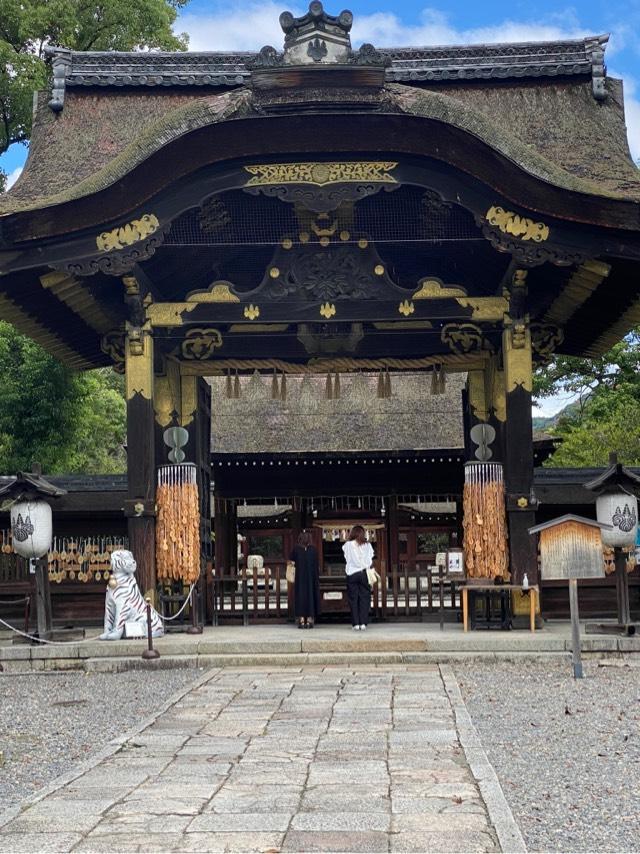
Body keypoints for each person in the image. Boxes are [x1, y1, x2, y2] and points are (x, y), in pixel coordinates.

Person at [343, 525, 374, 631]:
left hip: (352, 573)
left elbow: (347, 558)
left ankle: (355, 623)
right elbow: (370, 560)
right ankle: (363, 623)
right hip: (364, 573)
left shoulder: (347, 545)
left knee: (353, 598)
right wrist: (363, 564)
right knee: (364, 598)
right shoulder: (367, 545)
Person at [289, 530, 320, 629]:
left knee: (301, 596)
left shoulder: (296, 549)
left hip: (300, 578)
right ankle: (310, 618)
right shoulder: (313, 550)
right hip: (311, 578)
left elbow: (290, 562)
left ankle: (302, 619)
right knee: (311, 596)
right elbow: (317, 564)